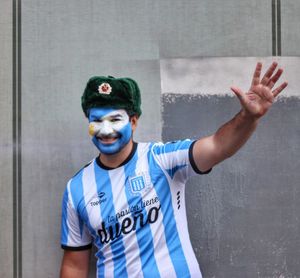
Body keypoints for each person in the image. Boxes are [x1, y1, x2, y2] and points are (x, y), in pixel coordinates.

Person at [60, 62, 288, 278]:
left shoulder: (162, 160)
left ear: (133, 121)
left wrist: (248, 117)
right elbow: (74, 265)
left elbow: (218, 146)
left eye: (115, 119)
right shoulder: (77, 188)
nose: (105, 129)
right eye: (96, 120)